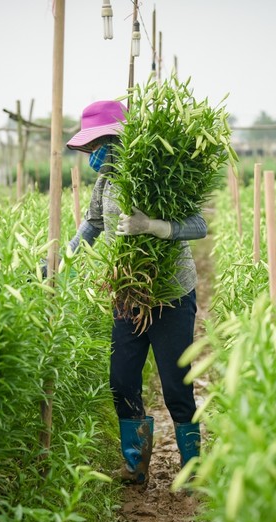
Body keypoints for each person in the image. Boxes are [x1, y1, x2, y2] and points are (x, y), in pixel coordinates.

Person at [63, 99, 203, 486]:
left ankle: (191, 470)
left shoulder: (159, 174)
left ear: (120, 138)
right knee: (122, 379)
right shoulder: (106, 180)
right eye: (90, 148)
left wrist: (155, 226)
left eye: (99, 144)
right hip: (127, 293)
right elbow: (92, 225)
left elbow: (199, 224)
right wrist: (63, 260)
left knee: (176, 384)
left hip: (171, 293)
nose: (94, 154)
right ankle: (134, 464)